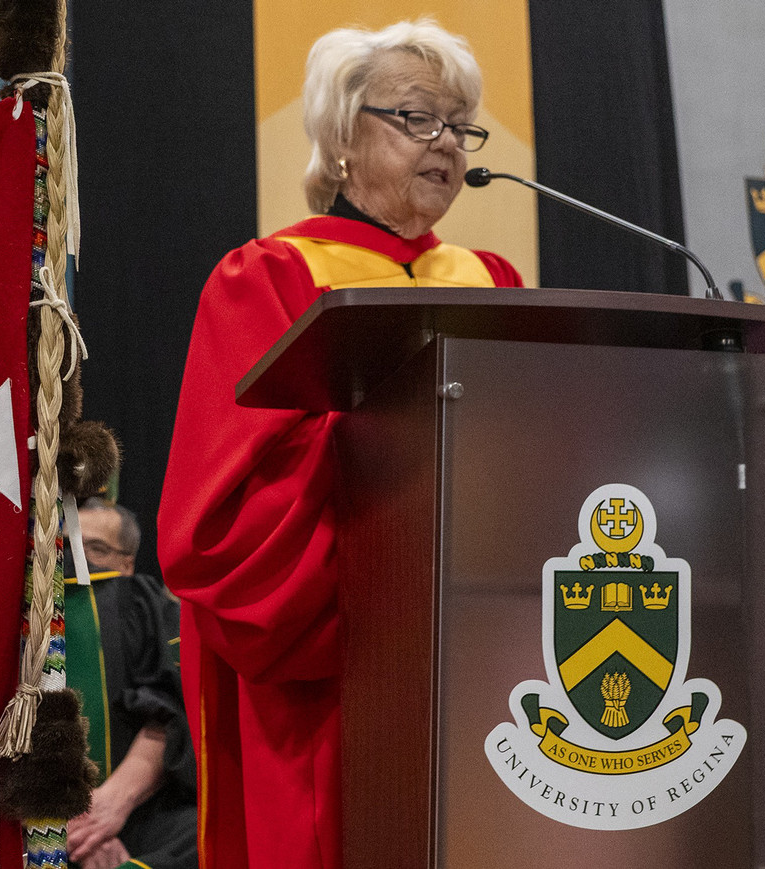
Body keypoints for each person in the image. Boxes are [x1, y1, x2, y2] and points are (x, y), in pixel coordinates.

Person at [154, 19, 522, 868]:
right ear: (343, 136)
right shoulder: (272, 277)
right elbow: (219, 518)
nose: (448, 145)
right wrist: (400, 463)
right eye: (418, 118)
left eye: (461, 127)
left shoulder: (491, 281)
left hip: (478, 667)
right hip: (334, 668)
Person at [63, 499, 197, 869]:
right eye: (68, 544)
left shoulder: (144, 605)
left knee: (214, 835)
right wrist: (75, 829)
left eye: (96, 548)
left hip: (137, 809)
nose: (79, 558)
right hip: (35, 815)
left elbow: (171, 708)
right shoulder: (23, 613)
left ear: (127, 562)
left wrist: (107, 808)